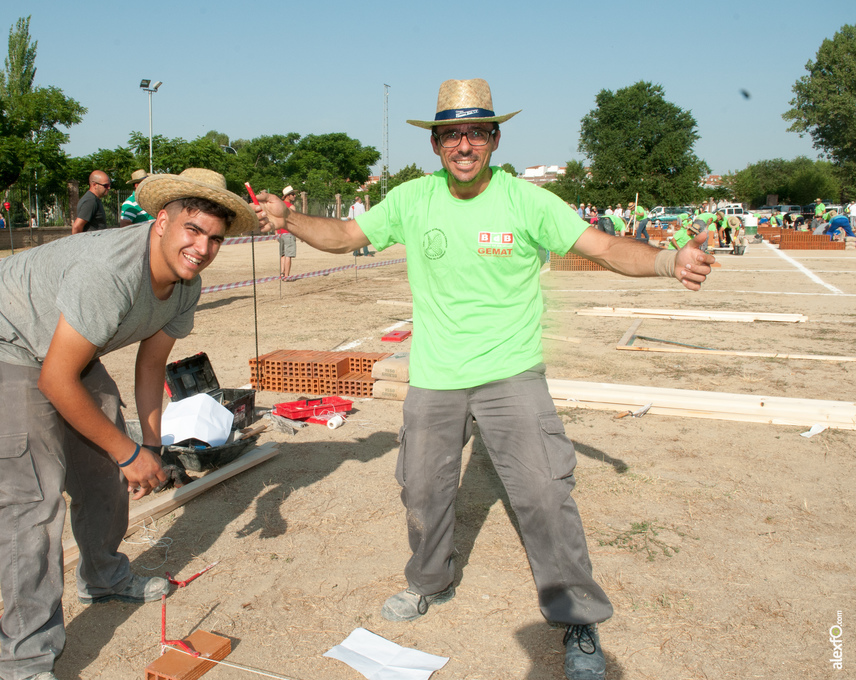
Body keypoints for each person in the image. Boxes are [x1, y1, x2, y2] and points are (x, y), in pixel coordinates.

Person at [251, 78, 714, 680]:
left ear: (495, 138)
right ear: (436, 143)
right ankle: (430, 581)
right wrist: (290, 220)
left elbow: (601, 247)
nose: (463, 144)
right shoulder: (413, 199)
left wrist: (662, 260)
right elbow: (344, 236)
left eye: (475, 132)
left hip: (511, 374)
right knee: (421, 488)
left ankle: (576, 617)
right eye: (451, 134)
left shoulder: (528, 202)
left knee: (546, 493)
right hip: (435, 377)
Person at [0, 168, 257, 680]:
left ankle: (104, 576)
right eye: (192, 230)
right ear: (162, 221)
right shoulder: (110, 273)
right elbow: (55, 379)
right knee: (33, 498)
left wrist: (150, 447)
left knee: (105, 472)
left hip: (62, 347)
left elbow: (150, 365)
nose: (201, 248)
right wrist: (128, 451)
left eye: (214, 239)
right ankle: (25, 657)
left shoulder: (186, 285)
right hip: (2, 338)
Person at [278, 186, 298, 280]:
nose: (294, 196)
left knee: (282, 255)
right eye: (293, 194)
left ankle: (282, 274)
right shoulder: (291, 207)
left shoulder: (279, 205)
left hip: (280, 232)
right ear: (287, 196)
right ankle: (287, 276)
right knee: (288, 255)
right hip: (288, 233)